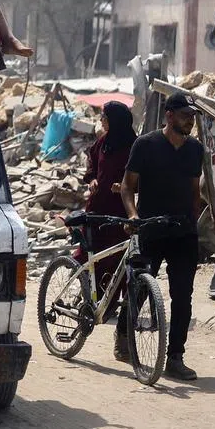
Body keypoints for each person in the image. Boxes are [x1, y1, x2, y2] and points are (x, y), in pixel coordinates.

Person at [120, 92, 205, 381]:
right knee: (140, 289)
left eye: (193, 117)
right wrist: (133, 215)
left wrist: (194, 224)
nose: (190, 122)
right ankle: (123, 335)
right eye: (185, 116)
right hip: (150, 229)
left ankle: (175, 357)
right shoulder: (145, 145)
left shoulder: (195, 149)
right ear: (169, 115)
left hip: (183, 233)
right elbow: (127, 186)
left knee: (183, 296)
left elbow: (195, 192)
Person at [79, 101, 137, 362]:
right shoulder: (103, 143)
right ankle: (89, 302)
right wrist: (92, 179)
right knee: (90, 258)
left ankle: (121, 332)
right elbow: (92, 164)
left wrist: (125, 187)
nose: (102, 120)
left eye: (105, 117)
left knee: (121, 267)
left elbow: (141, 177)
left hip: (121, 212)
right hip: (96, 208)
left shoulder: (135, 147)